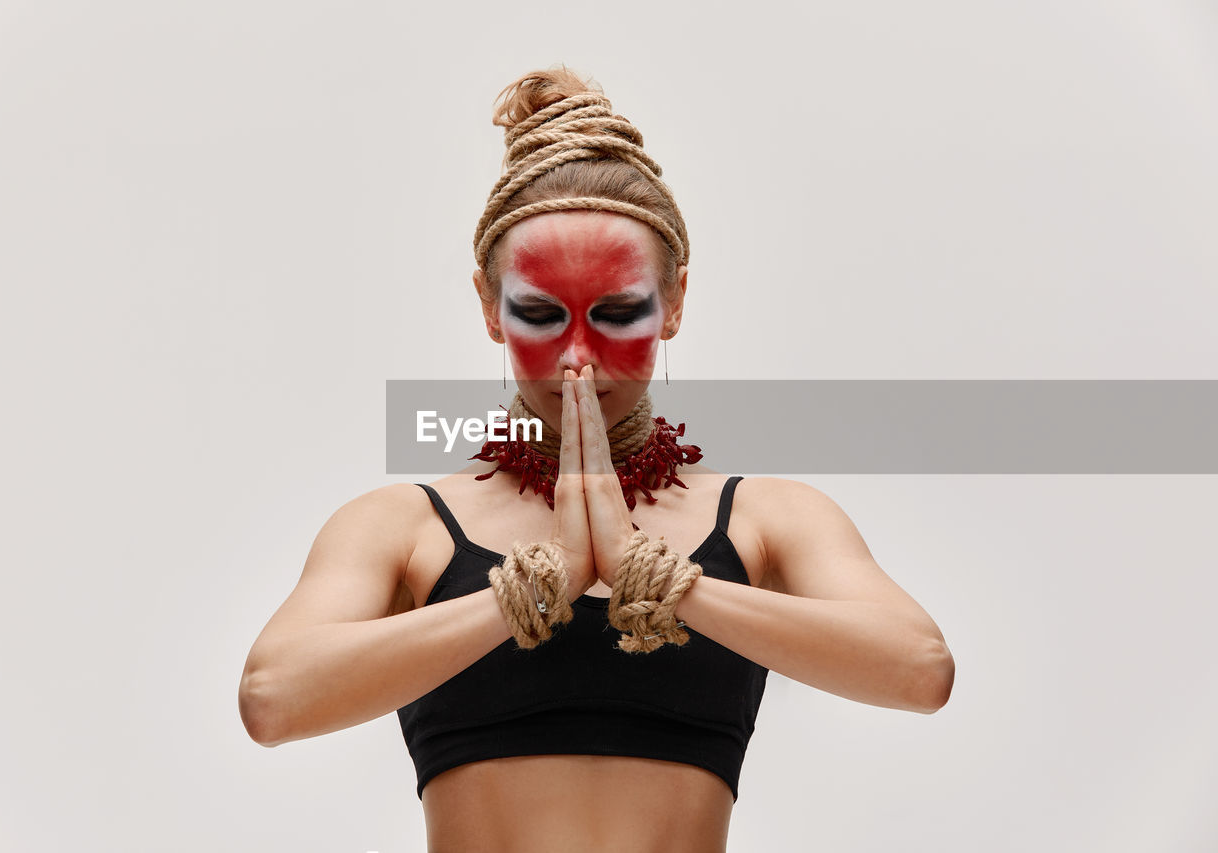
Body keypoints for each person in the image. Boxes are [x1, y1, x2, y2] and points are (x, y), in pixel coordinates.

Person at [238, 67, 955, 853]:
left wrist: (655, 578)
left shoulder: (766, 518)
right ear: (488, 305)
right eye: (540, 315)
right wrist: (540, 587)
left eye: (618, 313)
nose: (579, 356)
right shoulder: (405, 526)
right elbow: (273, 697)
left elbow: (920, 668)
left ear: (674, 300)